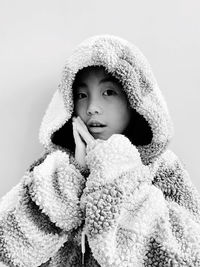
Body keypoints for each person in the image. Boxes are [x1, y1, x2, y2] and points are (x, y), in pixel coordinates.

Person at [0, 35, 200, 267]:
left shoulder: (162, 167)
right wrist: (73, 174)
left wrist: (112, 169)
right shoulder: (53, 171)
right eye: (82, 95)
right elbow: (7, 248)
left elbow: (187, 254)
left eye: (109, 93)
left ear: (133, 99)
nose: (92, 108)